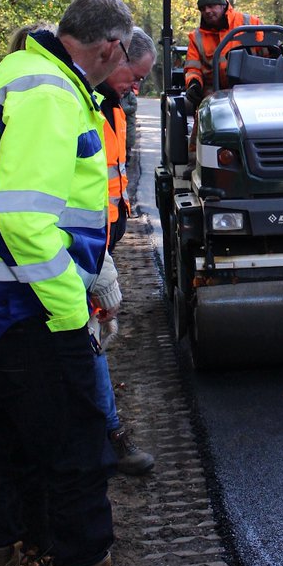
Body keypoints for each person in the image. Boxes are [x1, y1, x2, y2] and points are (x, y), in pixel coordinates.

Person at [0, 0, 176, 566]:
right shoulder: (50, 93)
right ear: (109, 47)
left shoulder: (16, 73)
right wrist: (74, 308)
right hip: (32, 315)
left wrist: (92, 267)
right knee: (78, 462)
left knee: (7, 457)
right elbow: (23, 219)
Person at [91, 27, 157, 476]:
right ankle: (109, 437)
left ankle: (104, 436)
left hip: (101, 244)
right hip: (86, 249)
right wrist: (99, 264)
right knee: (89, 344)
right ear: (115, 56)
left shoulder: (112, 107)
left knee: (93, 340)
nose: (136, 87)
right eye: (135, 77)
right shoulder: (85, 106)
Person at [183, 0, 264, 146]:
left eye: (211, 6)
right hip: (215, 93)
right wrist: (193, 84)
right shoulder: (196, 37)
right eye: (203, 8)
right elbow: (193, 68)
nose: (207, 11)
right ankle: (197, 157)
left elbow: (272, 52)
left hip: (253, 91)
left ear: (222, 4)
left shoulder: (249, 23)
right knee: (204, 122)